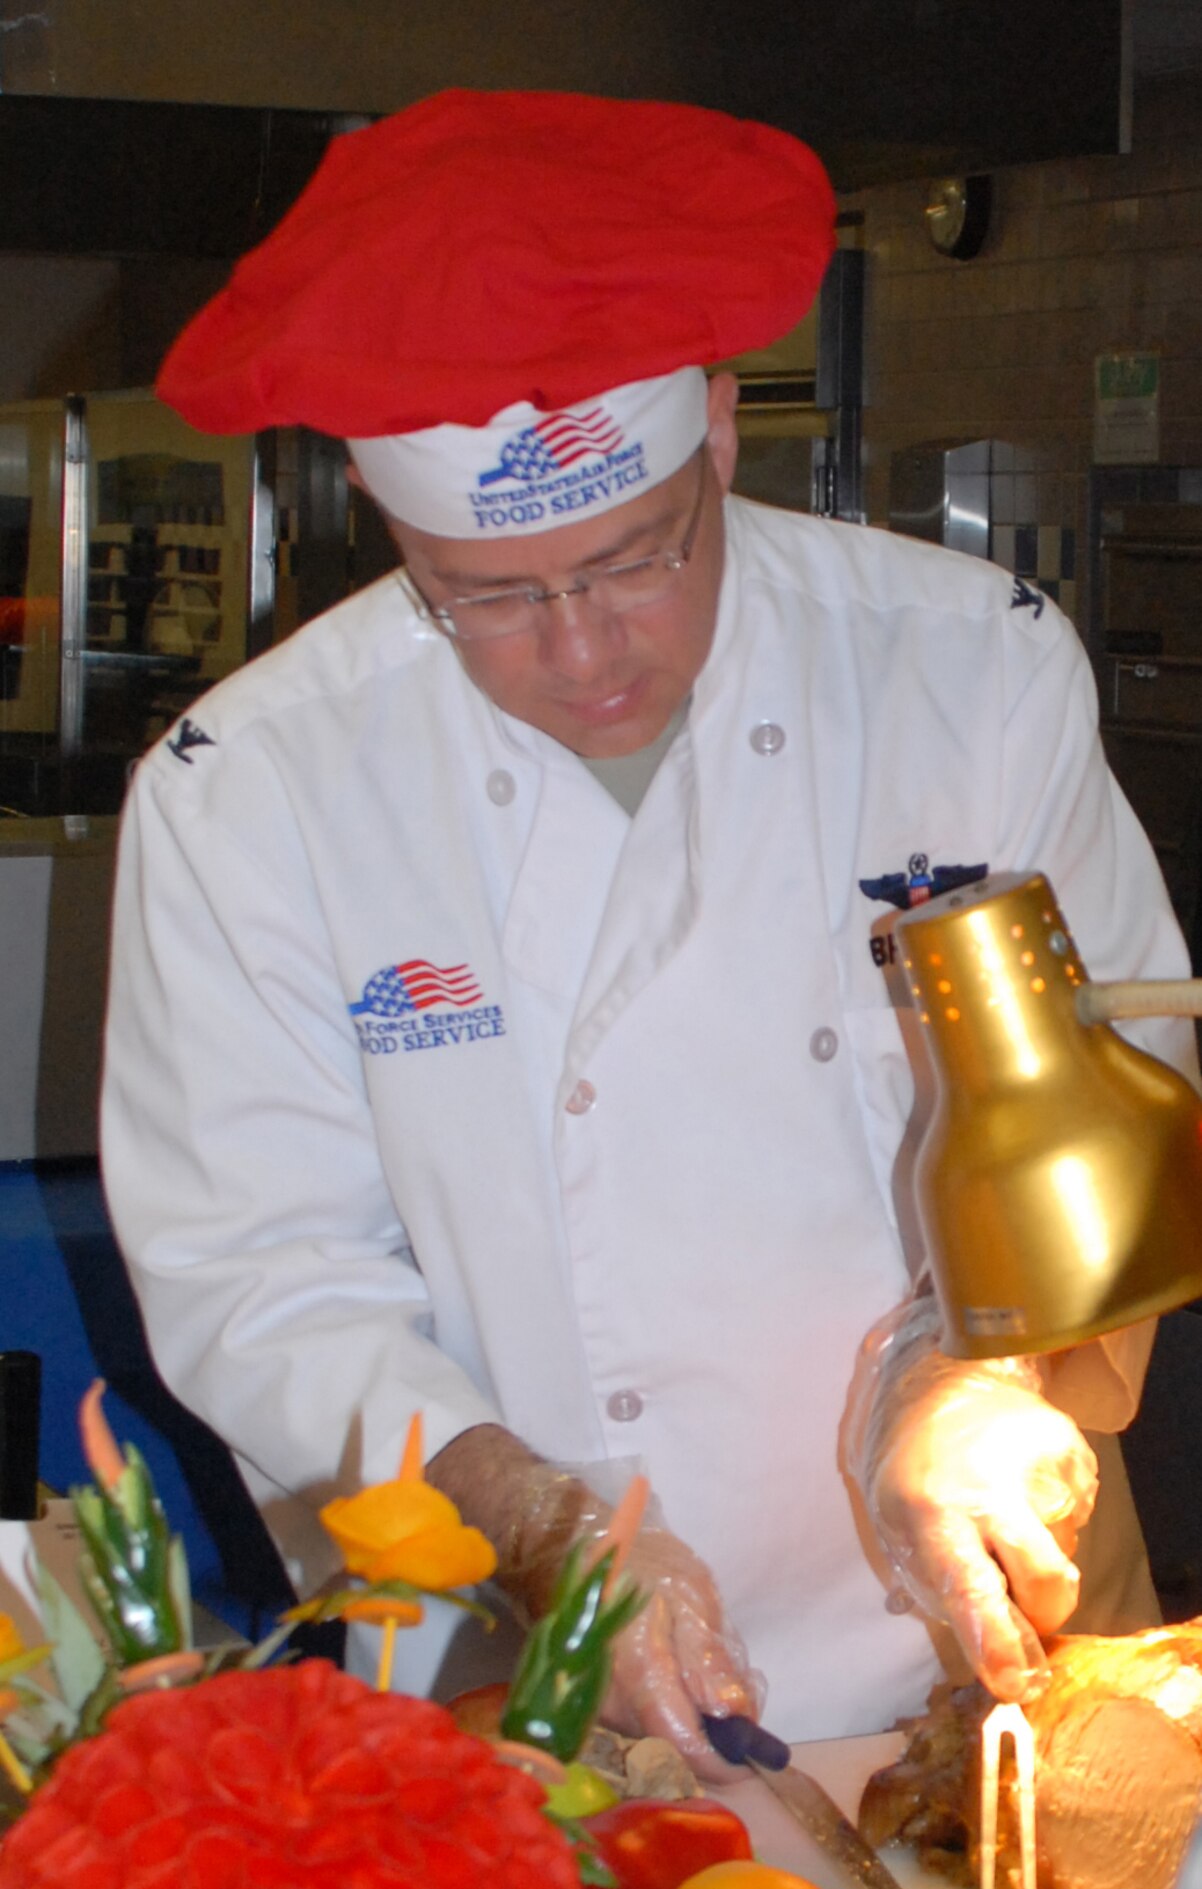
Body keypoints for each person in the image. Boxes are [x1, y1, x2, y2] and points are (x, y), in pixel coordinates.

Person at [102, 88, 1198, 1779]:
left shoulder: (963, 661)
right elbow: (258, 1273)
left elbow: (1119, 1064)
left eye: (632, 562)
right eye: (488, 595)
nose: (582, 651)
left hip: (991, 1590)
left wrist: (977, 1372)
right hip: (519, 1632)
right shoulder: (254, 786)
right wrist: (540, 1530)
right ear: (397, 535)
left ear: (714, 435)